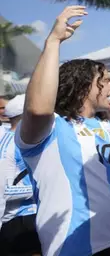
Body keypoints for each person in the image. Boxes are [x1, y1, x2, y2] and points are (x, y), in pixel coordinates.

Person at [17, 6, 110, 256]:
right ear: (83, 85)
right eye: (106, 80)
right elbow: (36, 109)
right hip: (77, 247)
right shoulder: (52, 128)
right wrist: (54, 41)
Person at [0, 94, 40, 255]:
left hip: (37, 218)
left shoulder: (32, 141)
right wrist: (39, 189)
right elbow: (4, 192)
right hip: (18, 224)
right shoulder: (8, 146)